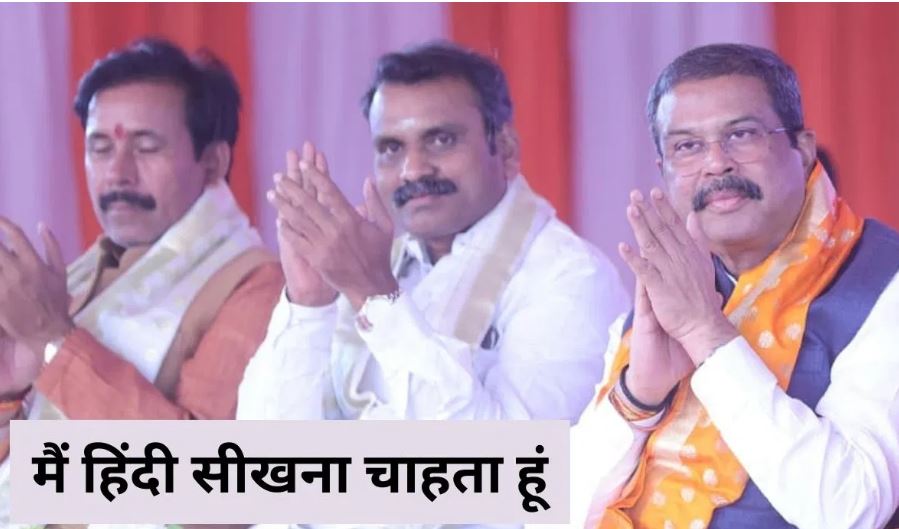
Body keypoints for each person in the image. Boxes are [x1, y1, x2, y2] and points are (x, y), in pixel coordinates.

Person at [567, 43, 899, 529]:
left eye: (741, 135)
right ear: (663, 171)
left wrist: (707, 335)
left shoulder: (883, 284)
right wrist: (639, 396)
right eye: (687, 147)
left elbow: (849, 511)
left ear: (803, 149)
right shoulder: (666, 295)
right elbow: (551, 510)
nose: (716, 164)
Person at [237, 41, 628, 427]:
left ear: (505, 148)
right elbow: (264, 453)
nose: (413, 170)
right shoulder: (373, 265)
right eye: (391, 148)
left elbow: (512, 459)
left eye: (441, 140)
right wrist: (308, 305)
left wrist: (376, 296)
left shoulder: (570, 278)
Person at [0, 38, 283, 523]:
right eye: (100, 148)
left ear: (213, 162)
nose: (118, 173)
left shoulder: (254, 286)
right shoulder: (81, 276)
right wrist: (9, 395)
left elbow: (206, 488)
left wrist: (56, 344)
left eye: (146, 147)